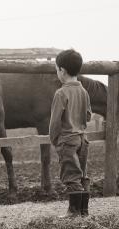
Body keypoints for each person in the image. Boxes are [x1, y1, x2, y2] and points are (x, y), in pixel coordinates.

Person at [49, 49, 92, 217]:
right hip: (83, 139)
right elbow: (88, 116)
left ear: (62, 71)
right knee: (82, 173)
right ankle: (83, 211)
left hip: (68, 140)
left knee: (70, 174)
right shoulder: (84, 91)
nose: (57, 73)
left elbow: (54, 121)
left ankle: (73, 211)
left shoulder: (61, 93)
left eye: (56, 70)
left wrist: (54, 140)